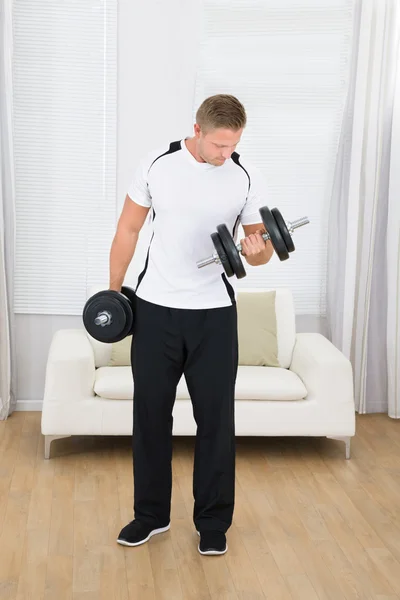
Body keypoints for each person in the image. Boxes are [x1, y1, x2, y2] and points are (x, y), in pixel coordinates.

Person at [109, 94, 274, 556]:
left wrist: (260, 253)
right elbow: (128, 229)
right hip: (155, 309)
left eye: (233, 146)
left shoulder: (245, 176)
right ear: (197, 131)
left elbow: (257, 247)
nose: (226, 155)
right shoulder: (157, 164)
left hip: (214, 316)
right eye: (219, 145)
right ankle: (150, 516)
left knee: (216, 421)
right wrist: (113, 293)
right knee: (150, 417)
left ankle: (213, 522)